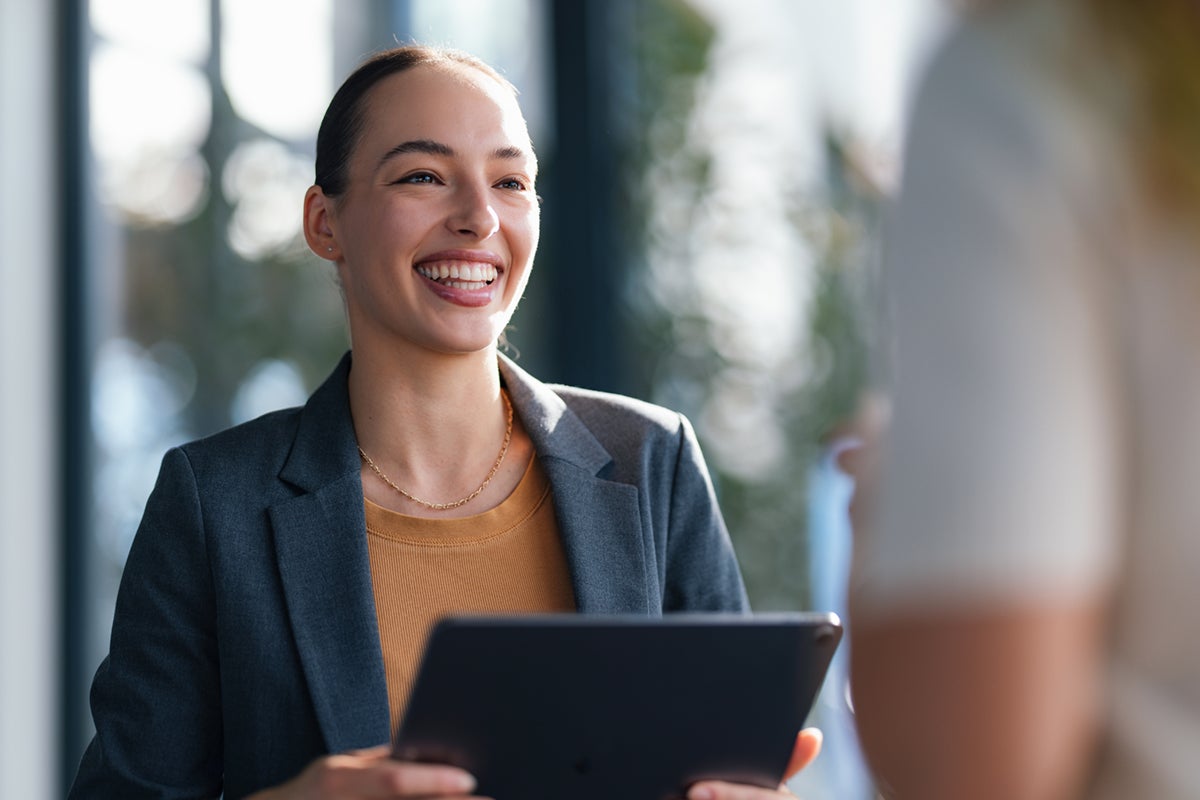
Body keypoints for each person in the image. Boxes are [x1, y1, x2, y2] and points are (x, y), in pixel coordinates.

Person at [69, 44, 821, 799]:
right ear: (324, 222)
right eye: (423, 176)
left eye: (511, 181)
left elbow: (724, 767)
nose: (479, 217)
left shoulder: (651, 462)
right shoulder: (214, 504)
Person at [845, 0, 1200, 797]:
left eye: (516, 178)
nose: (489, 220)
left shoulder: (1032, 85)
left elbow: (972, 762)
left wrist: (888, 503)